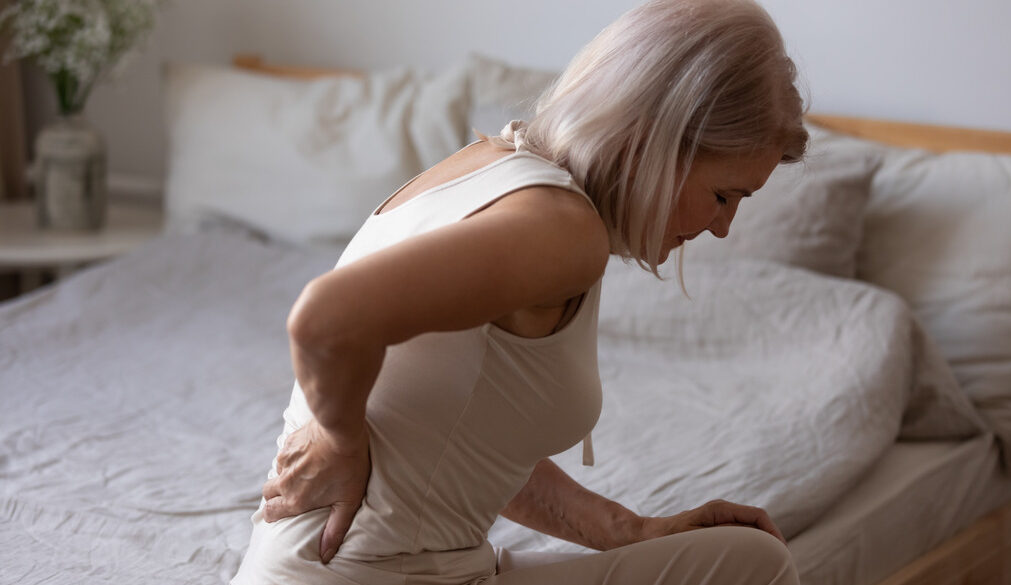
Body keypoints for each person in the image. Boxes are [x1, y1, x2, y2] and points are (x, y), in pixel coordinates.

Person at [232, 0, 809, 583]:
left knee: (739, 554)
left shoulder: (489, 165)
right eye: (724, 195)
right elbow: (325, 318)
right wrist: (338, 438)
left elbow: (460, 442)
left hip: (372, 565)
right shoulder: (562, 231)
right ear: (658, 143)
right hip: (370, 572)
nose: (723, 227)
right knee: (755, 566)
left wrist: (629, 531)